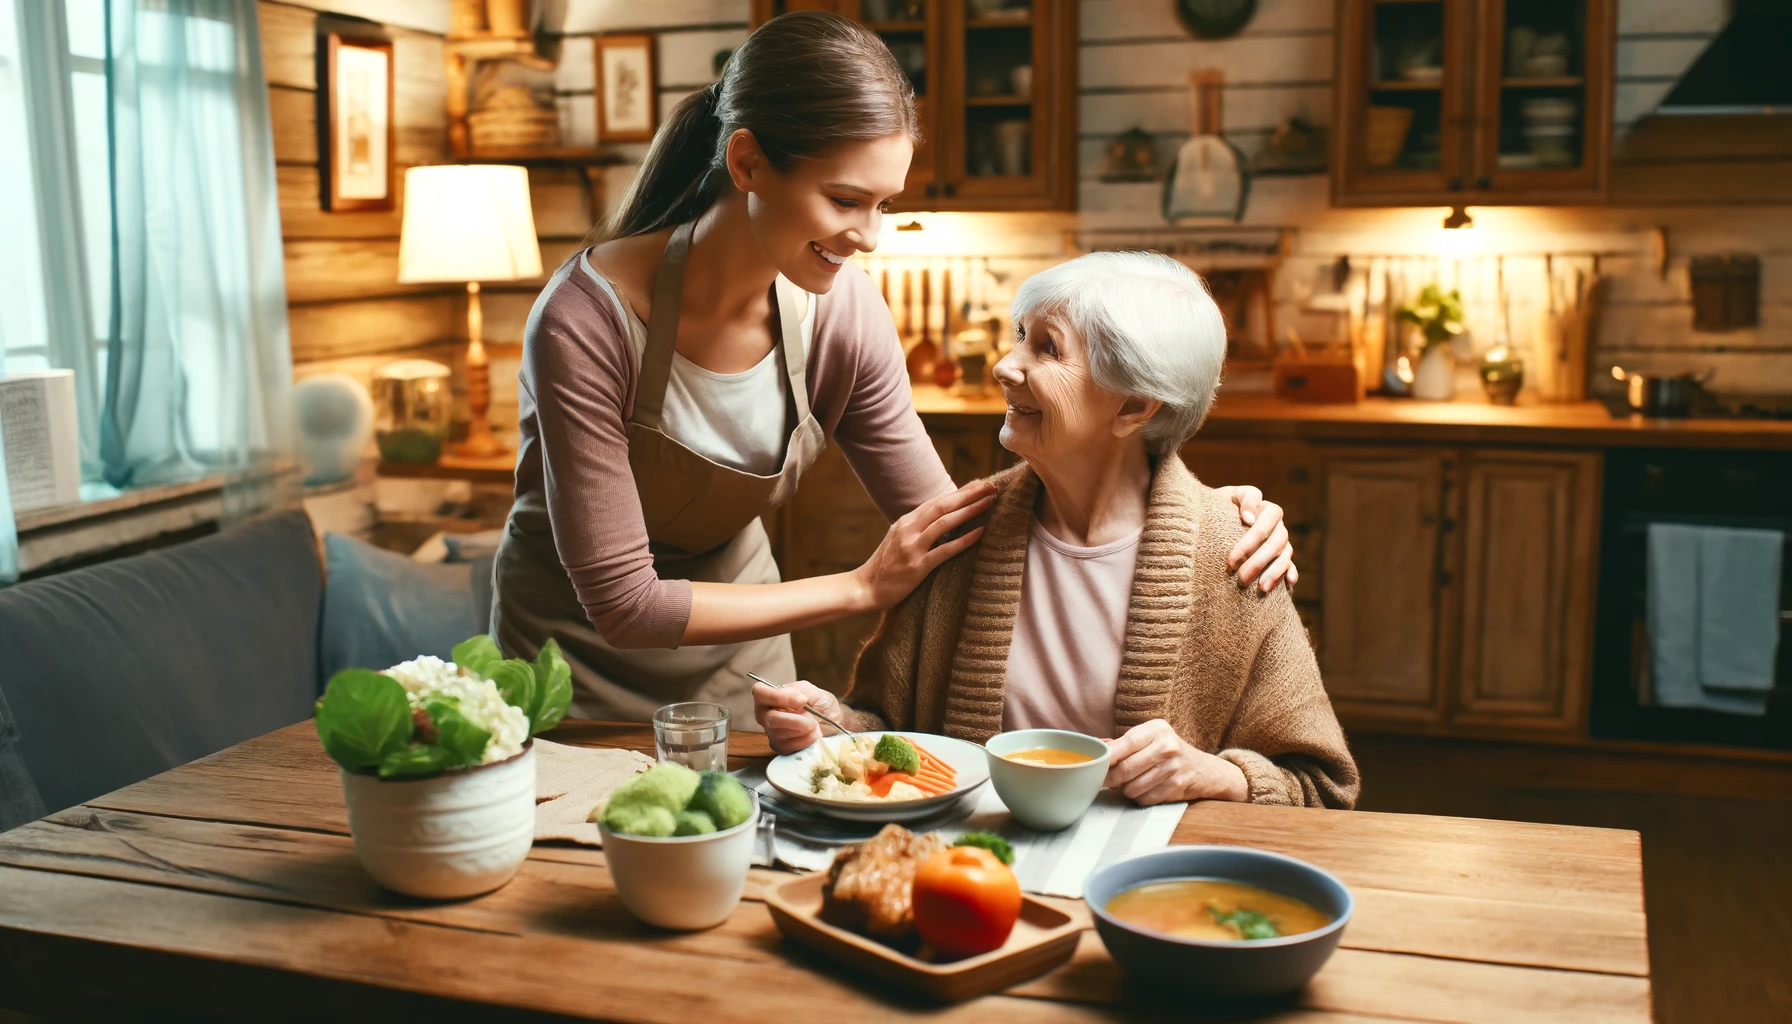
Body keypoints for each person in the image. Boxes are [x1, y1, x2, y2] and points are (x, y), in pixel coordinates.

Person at [493, 12, 1300, 727]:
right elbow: (626, 603)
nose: (870, 235)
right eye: (845, 200)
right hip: (572, 664)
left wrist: (1188, 513)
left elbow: (949, 523)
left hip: (738, 660)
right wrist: (860, 587)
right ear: (746, 163)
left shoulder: (841, 311)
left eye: (885, 204)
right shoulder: (585, 320)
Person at [755, 251, 1358, 809]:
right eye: (1021, 336)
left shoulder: (1236, 556)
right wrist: (830, 723)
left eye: (1048, 350)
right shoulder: (962, 534)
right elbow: (886, 729)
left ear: (1134, 407)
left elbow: (1324, 787)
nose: (1002, 366)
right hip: (970, 873)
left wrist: (1222, 776)